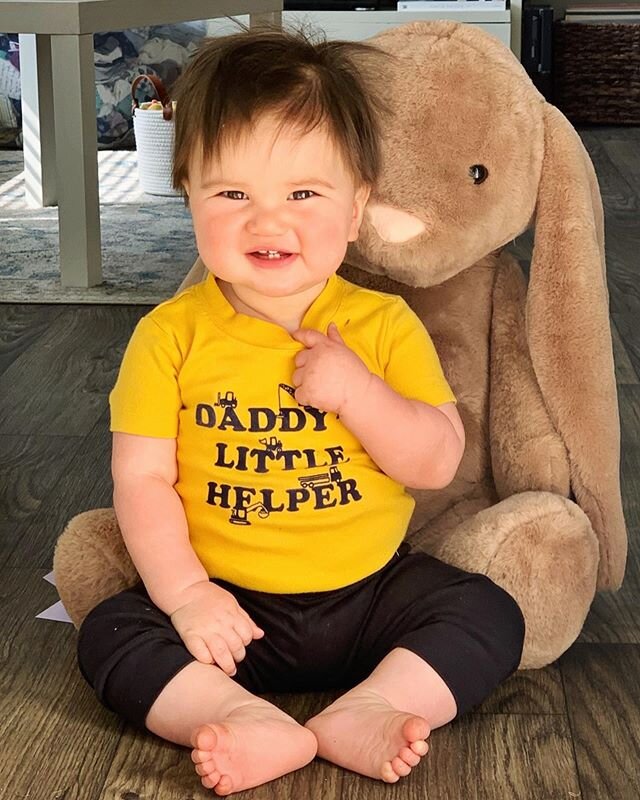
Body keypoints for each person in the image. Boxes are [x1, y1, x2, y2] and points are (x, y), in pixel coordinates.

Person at [77, 25, 525, 797]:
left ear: (355, 211)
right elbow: (142, 481)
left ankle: (375, 704)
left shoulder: (383, 327)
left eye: (303, 194)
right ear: (190, 197)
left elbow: (435, 460)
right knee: (111, 635)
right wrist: (187, 597)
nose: (268, 220)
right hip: (228, 609)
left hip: (370, 597)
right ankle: (235, 715)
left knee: (489, 612)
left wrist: (359, 393)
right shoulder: (168, 337)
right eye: (233, 193)